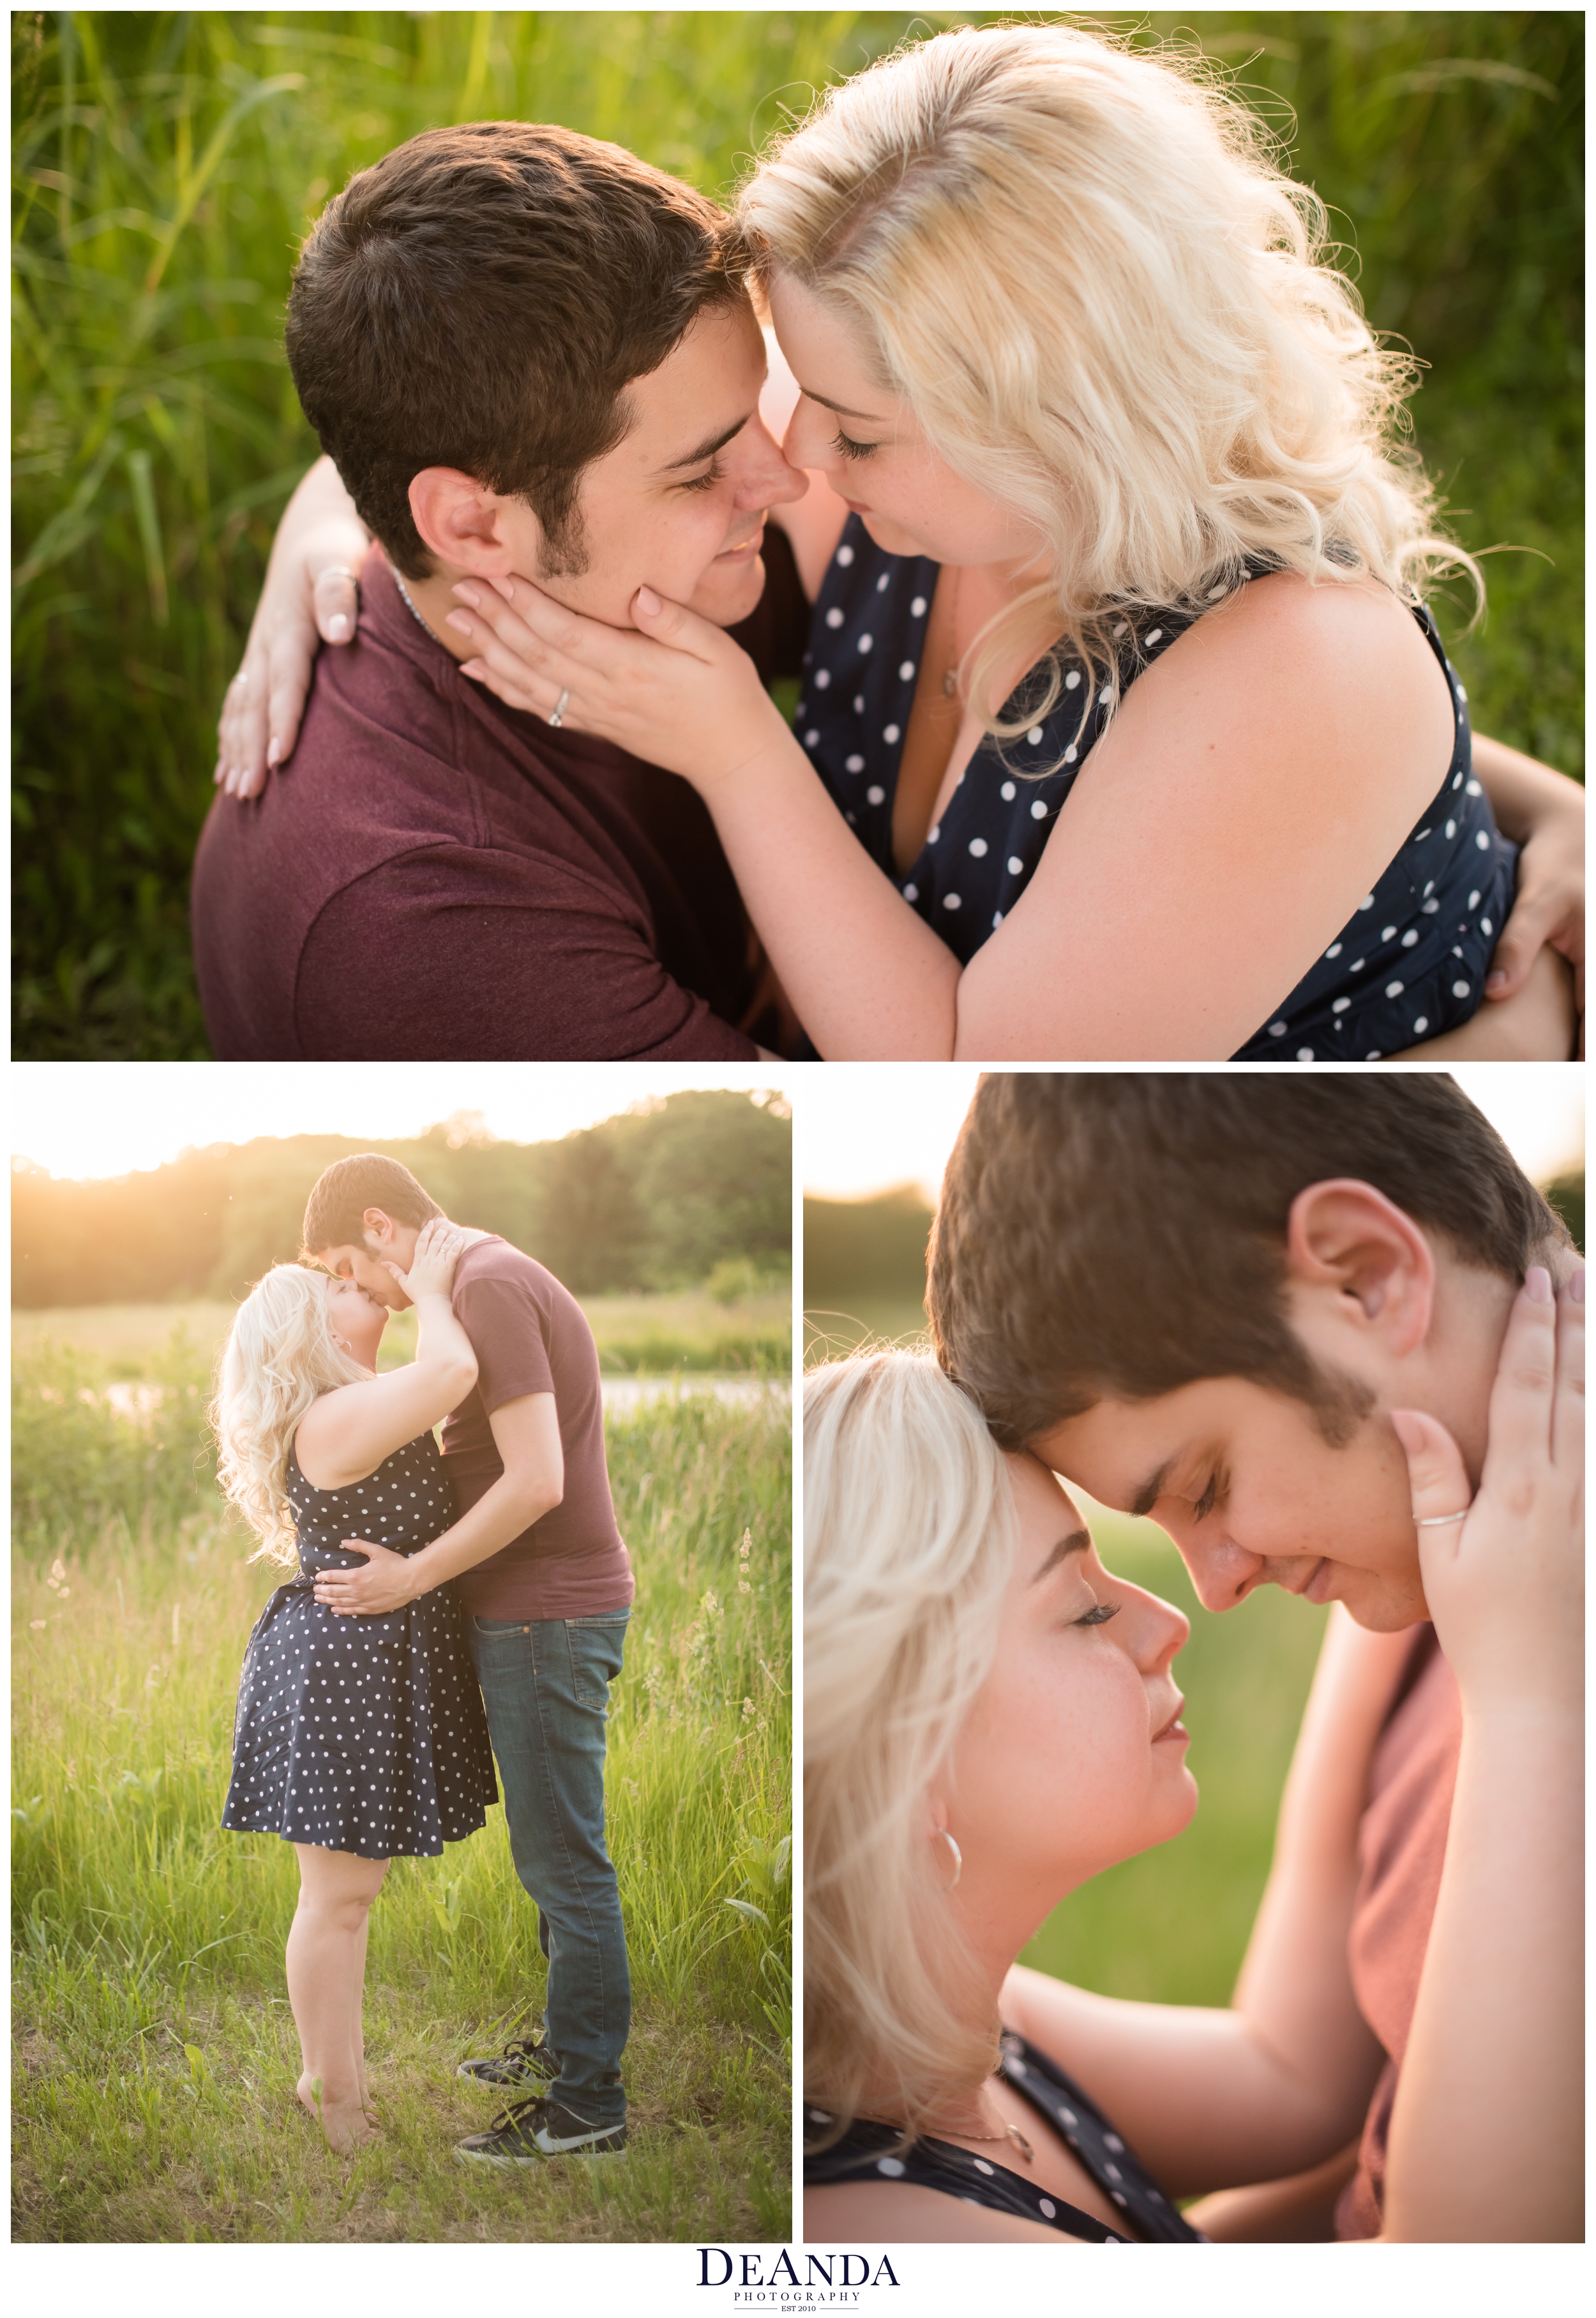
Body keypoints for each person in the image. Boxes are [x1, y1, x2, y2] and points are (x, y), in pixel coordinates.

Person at [440, 23, 1583, 1062]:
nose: (792, 456)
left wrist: (738, 753)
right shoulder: (908, 460)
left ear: (1066, 426)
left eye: (857, 430)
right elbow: (503, 436)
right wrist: (322, 535)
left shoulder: (1299, 663)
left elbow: (958, 1079)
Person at [922, 1072, 1583, 2239]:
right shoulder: (1423, 1593)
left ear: (1366, 1275)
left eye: (1207, 1486)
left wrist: (1534, 1707)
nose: (1215, 1589)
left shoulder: (1492, 1623)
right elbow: (1313, 2099)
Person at [190, 121, 810, 1060]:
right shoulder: (439, 926)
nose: (787, 479)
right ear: (471, 527)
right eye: (700, 470)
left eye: (753, 415)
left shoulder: (588, 556)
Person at [300, 1153, 634, 2165]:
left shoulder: (482, 1286)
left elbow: (536, 1481)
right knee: (552, 1863)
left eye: (353, 1273)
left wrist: (413, 1578)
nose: (363, 1299)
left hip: (545, 1615)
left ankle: (588, 2106)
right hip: (537, 1612)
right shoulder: (481, 1279)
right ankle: (565, 2056)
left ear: (381, 1227)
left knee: (565, 1866)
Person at [213, 1222, 498, 2153]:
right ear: (310, 1332)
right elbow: (452, 1373)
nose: (357, 1284)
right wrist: (439, 1287)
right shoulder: (334, 1420)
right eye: (336, 1284)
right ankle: (333, 2098)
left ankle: (333, 2078)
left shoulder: (363, 1403)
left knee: (351, 1898)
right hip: (342, 1665)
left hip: (366, 1658)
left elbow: (442, 1381)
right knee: (337, 1901)